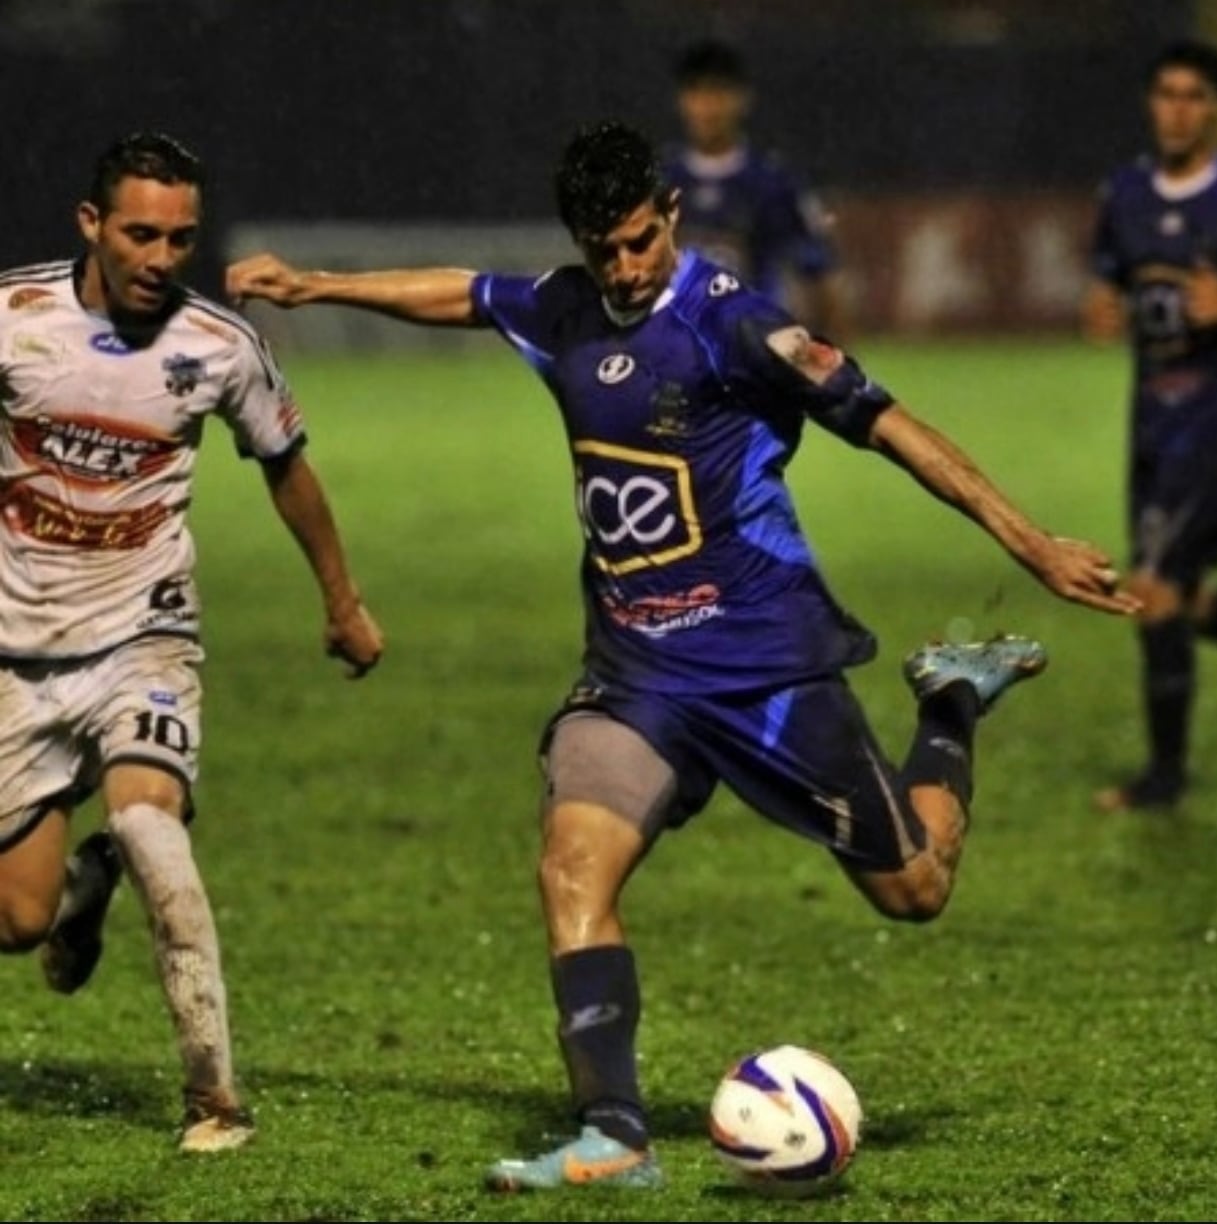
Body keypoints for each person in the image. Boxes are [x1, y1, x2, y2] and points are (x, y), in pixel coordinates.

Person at [226, 119, 1137, 1191]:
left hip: (764, 669)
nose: (620, 267)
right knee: (571, 864)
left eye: (634, 241)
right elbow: (464, 292)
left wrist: (1028, 542)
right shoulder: (564, 308)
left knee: (916, 888)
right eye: (599, 248)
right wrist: (311, 284)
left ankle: (947, 708)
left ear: (666, 215)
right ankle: (613, 1132)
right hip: (634, 679)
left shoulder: (736, 326)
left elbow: (891, 425)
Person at [0, 130, 385, 1153]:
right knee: (18, 920)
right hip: (16, 653)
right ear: (91, 224)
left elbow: (287, 466)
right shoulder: (13, 318)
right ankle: (81, 888)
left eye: (181, 237)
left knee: (152, 826)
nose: (163, 257)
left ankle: (216, 1099)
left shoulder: (217, 346)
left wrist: (341, 602)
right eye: (140, 233)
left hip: (145, 633)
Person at [1081, 37, 1217, 813]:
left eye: (1194, 95)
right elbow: (1107, 281)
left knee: (1154, 590)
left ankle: (1164, 779)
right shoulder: (1125, 192)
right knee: (1178, 599)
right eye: (1166, 93)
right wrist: (1100, 305)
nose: (1177, 109)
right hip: (1152, 416)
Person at [661, 37, 855, 345]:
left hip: (752, 351)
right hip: (675, 350)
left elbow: (820, 277)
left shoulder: (773, 183)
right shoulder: (659, 180)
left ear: (742, 99)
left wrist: (834, 363)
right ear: (682, 100)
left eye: (719, 92)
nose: (708, 106)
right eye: (698, 92)